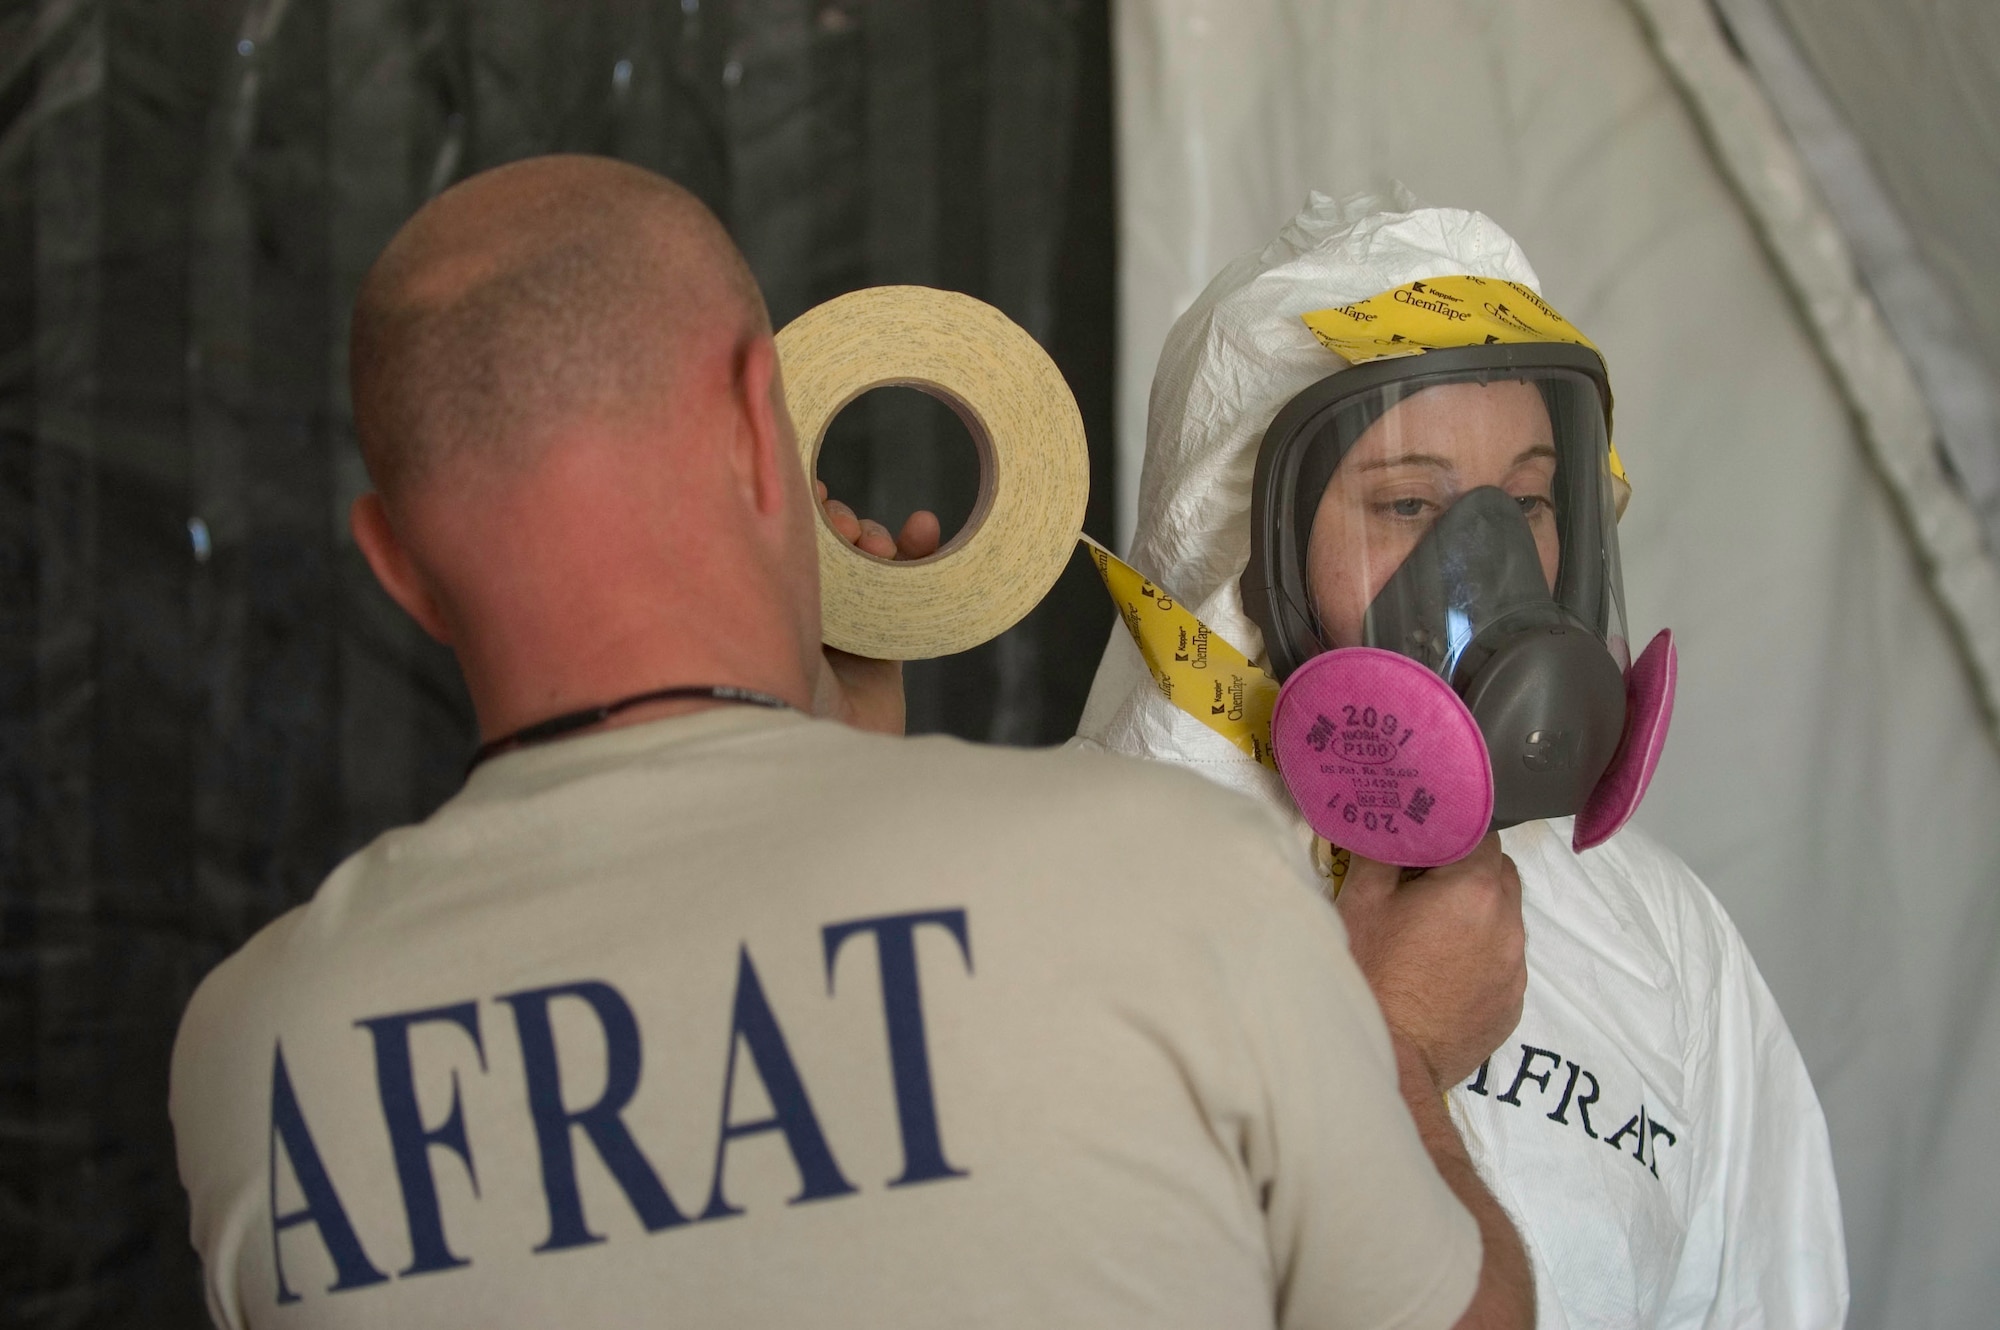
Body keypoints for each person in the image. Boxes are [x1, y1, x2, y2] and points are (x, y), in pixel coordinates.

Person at [168, 156, 1538, 1329]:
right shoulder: (1176, 878)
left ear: (393, 563)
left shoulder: (258, 1055)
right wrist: (1393, 1050)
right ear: (759, 419)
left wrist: (844, 771)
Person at [1074, 194, 1849, 1329]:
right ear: (1239, 547)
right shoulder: (1059, 911)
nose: (1491, 566)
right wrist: (1386, 1048)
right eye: (1407, 502)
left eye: (1525, 500)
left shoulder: (1653, 932)